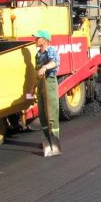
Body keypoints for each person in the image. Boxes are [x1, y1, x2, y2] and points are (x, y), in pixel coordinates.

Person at [34, 29, 61, 157]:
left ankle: (54, 140)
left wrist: (45, 67)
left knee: (51, 112)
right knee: (42, 113)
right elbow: (36, 72)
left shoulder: (51, 51)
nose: (35, 40)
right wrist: (31, 89)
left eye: (37, 38)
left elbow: (54, 62)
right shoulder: (38, 54)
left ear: (44, 40)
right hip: (40, 84)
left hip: (49, 82)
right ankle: (46, 139)